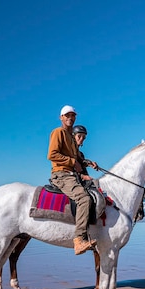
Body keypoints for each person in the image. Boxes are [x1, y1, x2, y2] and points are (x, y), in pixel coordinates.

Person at [48, 105, 96, 255]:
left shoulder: (71, 138)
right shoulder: (58, 132)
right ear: (61, 117)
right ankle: (79, 240)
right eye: (67, 115)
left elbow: (77, 159)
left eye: (73, 116)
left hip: (70, 174)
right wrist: (71, 162)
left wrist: (88, 163)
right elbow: (52, 155)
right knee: (84, 199)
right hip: (61, 174)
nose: (70, 118)